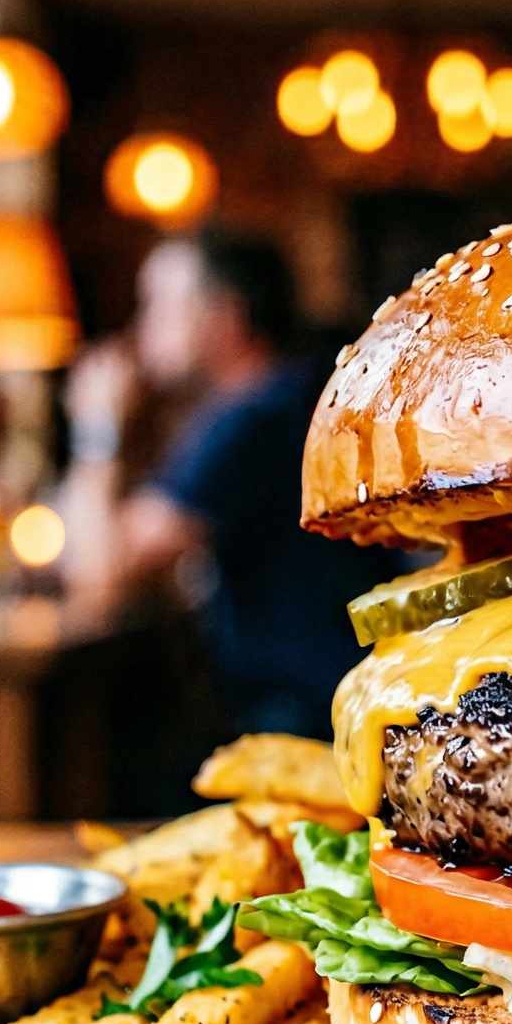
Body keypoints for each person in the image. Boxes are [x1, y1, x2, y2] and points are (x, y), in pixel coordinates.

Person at [64, 228, 399, 741]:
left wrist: (95, 428)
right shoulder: (299, 393)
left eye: (157, 305)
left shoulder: (252, 418)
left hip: (301, 716)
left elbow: (99, 577)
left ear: (224, 317)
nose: (139, 328)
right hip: (346, 689)